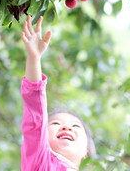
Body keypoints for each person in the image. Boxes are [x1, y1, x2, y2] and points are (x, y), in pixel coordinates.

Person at [21, 15, 96, 170]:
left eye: (76, 126)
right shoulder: (41, 162)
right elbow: (35, 116)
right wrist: (34, 58)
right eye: (55, 123)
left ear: (86, 156)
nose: (67, 127)